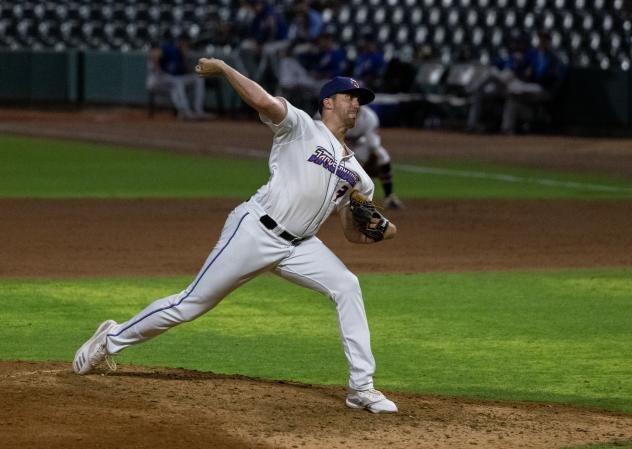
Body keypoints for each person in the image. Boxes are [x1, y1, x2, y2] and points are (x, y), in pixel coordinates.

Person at [72, 60, 399, 414]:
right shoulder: (303, 127)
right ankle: (110, 339)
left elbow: (352, 232)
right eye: (348, 96)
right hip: (256, 230)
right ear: (328, 102)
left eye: (359, 99)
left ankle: (361, 388)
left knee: (347, 285)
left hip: (300, 247)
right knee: (190, 304)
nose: (355, 103)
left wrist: (380, 231)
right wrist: (225, 69)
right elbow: (263, 102)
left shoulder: (359, 176)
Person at [345, 106, 404, 210]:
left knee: (382, 156)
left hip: (360, 146)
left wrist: (369, 161)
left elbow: (373, 144)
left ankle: (389, 197)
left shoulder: (369, 117)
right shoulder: (335, 112)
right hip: (336, 145)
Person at [147, 32, 210, 121]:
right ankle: (187, 113)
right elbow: (154, 55)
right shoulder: (169, 47)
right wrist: (159, 71)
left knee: (197, 79)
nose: (188, 44)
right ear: (182, 41)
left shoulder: (180, 52)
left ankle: (196, 110)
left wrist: (185, 56)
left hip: (169, 80)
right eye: (186, 42)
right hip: (156, 79)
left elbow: (187, 70)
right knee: (177, 83)